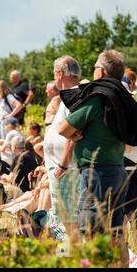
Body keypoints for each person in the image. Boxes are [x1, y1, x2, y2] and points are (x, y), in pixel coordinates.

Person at [59, 50, 137, 267]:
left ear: (102, 71)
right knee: (116, 235)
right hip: (117, 170)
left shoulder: (98, 98)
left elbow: (63, 128)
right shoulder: (123, 99)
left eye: (95, 66)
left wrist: (75, 133)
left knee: (93, 234)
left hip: (97, 175)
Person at [43, 55, 81, 241]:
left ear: (59, 73)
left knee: (67, 220)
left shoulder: (73, 95)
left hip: (65, 170)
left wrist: (63, 164)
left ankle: (69, 258)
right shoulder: (68, 96)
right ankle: (65, 256)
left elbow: (75, 133)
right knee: (62, 218)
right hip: (61, 168)